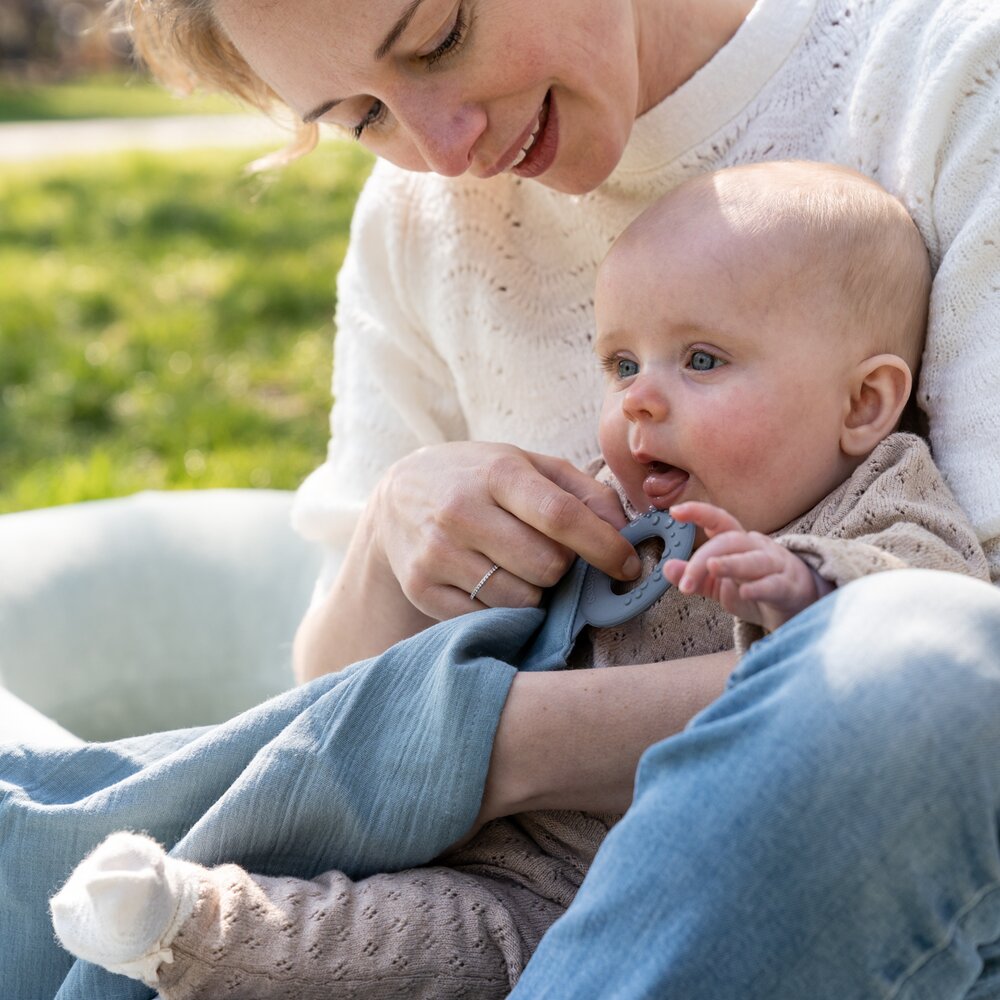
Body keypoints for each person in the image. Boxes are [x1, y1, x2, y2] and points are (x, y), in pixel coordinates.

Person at [3, 0, 999, 995]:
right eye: (361, 116)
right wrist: (392, 533)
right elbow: (324, 720)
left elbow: (935, 689)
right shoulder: (414, 224)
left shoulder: (950, 77)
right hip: (499, 890)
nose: (442, 149)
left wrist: (469, 746)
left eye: (440, 36)